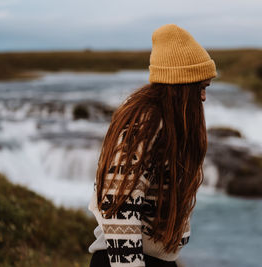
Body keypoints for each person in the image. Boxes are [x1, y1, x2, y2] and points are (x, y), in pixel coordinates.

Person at [88, 23, 217, 267]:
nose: (203, 97)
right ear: (181, 85)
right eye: (201, 88)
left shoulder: (164, 122)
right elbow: (118, 207)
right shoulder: (145, 125)